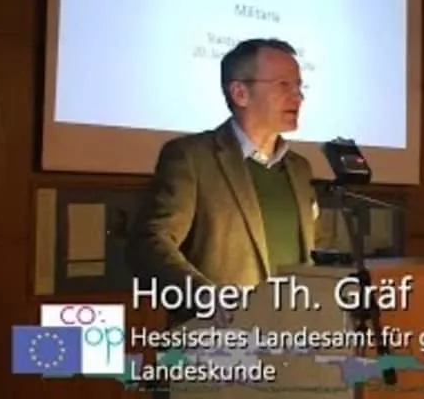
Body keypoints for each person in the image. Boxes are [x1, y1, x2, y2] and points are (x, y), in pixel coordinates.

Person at [126, 38, 317, 324]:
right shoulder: (191, 157)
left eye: (299, 86)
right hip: (219, 337)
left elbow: (315, 252)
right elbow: (150, 242)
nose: (298, 97)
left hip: (295, 336)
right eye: (283, 85)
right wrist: (204, 296)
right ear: (240, 93)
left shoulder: (300, 169)